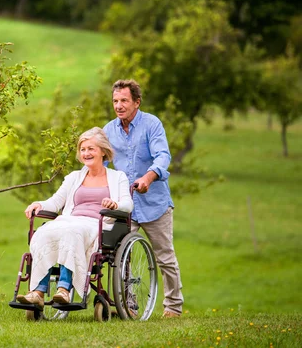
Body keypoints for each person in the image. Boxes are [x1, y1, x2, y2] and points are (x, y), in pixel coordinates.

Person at [16, 127, 133, 310]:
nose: (86, 153)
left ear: (103, 151)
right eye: (83, 149)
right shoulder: (74, 177)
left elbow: (128, 204)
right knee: (44, 232)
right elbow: (55, 202)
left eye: (91, 149)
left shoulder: (118, 177)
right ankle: (38, 292)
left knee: (72, 233)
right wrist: (39, 204)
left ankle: (64, 289)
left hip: (96, 224)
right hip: (70, 220)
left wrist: (115, 205)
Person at [102, 79, 184, 318]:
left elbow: (162, 156)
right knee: (120, 255)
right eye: (116, 101)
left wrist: (148, 177)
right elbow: (101, 164)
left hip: (154, 204)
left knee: (165, 257)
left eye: (124, 100)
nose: (119, 105)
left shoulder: (152, 124)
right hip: (125, 205)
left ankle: (173, 307)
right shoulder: (109, 130)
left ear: (136, 102)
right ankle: (129, 304)